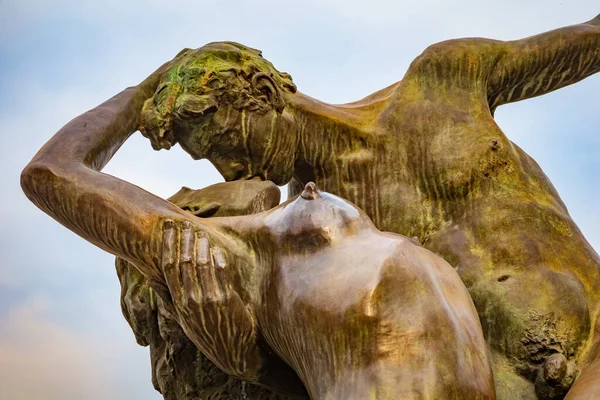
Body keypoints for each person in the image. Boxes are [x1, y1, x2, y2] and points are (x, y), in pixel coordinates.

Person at [134, 15, 600, 399]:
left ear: (261, 90)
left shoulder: (445, 79)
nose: (229, 169)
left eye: (224, 141)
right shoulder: (316, 233)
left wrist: (157, 77)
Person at [20, 75, 495, 396]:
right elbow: (49, 174)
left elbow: (49, 172)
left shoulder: (229, 252)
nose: (230, 171)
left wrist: (147, 89)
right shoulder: (225, 256)